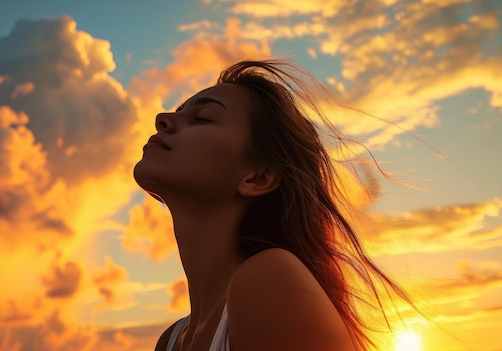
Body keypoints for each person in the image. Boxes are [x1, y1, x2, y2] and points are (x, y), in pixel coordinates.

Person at [134, 60, 411, 351]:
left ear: (258, 177)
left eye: (203, 117)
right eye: (178, 111)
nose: (162, 118)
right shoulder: (171, 340)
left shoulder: (269, 278)